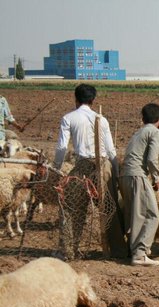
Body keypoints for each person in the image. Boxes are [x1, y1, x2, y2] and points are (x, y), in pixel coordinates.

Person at [53, 84, 127, 259]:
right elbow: (111, 150)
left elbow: (62, 147)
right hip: (104, 166)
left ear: (76, 99)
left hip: (82, 167)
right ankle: (118, 250)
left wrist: (57, 167)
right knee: (110, 208)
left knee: (71, 209)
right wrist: (115, 173)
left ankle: (68, 251)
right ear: (93, 100)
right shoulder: (102, 119)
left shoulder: (69, 118)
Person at [119, 103, 159, 267]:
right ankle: (140, 253)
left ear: (143, 118)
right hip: (137, 175)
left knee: (134, 214)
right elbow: (152, 159)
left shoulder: (138, 132)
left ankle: (131, 250)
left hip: (125, 176)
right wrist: (156, 178)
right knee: (152, 215)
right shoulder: (155, 132)